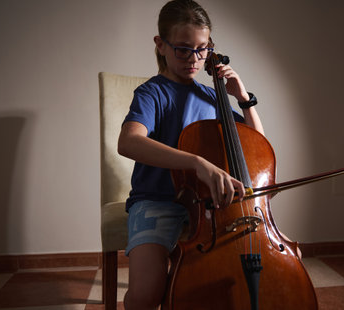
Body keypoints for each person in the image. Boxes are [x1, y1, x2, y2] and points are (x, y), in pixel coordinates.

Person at [118, 0, 264, 309]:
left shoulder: (212, 97)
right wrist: (198, 163)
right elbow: (129, 142)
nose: (194, 59)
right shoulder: (152, 93)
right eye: (183, 49)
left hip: (213, 209)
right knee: (145, 295)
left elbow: (258, 149)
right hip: (157, 201)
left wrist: (244, 99)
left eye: (202, 49)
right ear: (161, 45)